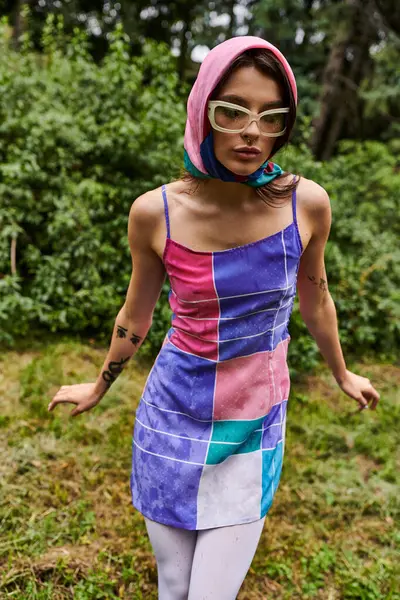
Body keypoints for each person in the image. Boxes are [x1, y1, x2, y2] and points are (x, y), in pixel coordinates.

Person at [48, 36, 380, 599]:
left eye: (270, 117)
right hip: (171, 418)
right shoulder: (156, 214)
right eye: (232, 111)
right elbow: (136, 314)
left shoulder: (307, 205)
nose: (252, 130)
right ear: (203, 111)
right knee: (174, 587)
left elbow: (316, 298)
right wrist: (98, 386)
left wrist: (342, 374)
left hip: (254, 421)